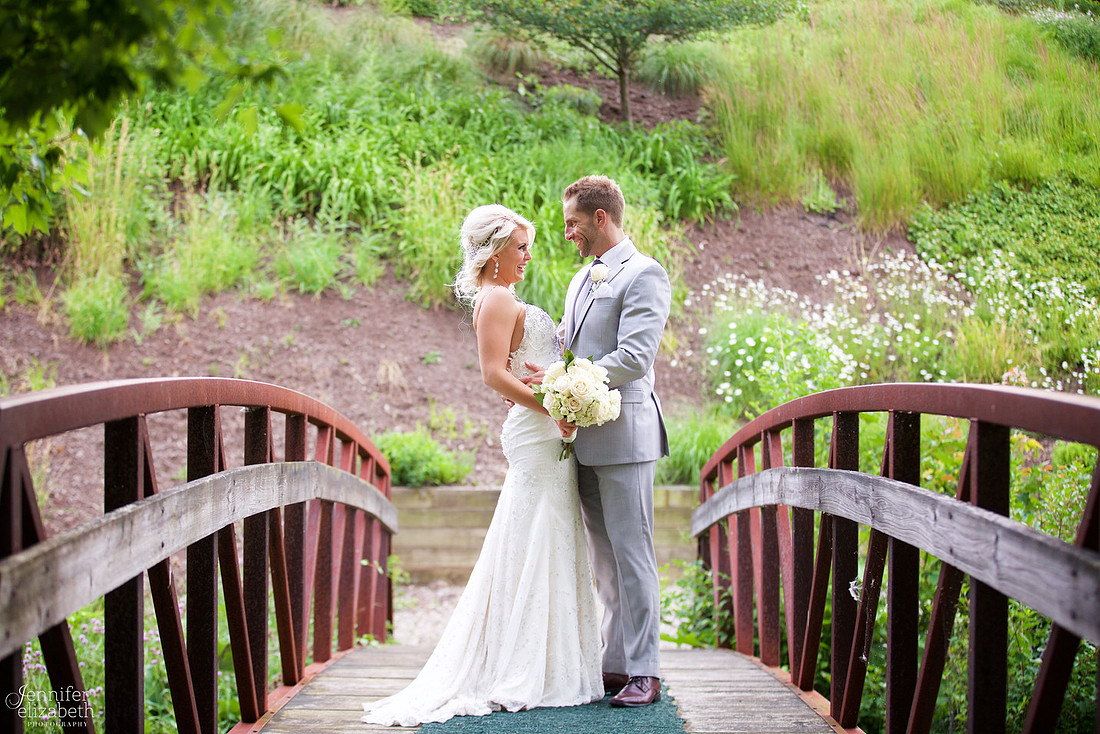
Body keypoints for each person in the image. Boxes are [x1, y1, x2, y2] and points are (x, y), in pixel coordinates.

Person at [361, 204, 603, 727]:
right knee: (533, 533)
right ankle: (518, 664)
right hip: (537, 433)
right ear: (493, 253)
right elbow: (493, 375)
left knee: (550, 533)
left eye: (526, 246)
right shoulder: (495, 299)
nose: (527, 255)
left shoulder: (504, 297)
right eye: (519, 247)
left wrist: (557, 392)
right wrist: (556, 408)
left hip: (544, 429)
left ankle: (548, 659)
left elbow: (515, 367)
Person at [526, 175, 671, 707]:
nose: (568, 233)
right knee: (604, 559)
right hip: (582, 437)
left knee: (633, 555)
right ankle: (616, 663)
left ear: (601, 218)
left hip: (626, 438)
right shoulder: (582, 277)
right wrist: (542, 374)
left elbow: (634, 357)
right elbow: (570, 345)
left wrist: (567, 382)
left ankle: (647, 671)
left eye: (573, 223)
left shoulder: (645, 274)